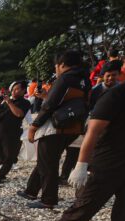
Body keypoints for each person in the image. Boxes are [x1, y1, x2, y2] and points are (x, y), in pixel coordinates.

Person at [44, 81, 125, 221]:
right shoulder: (118, 95)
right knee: (85, 206)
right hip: (108, 160)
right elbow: (93, 130)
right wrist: (81, 165)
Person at [20, 50, 90, 209]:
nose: (56, 69)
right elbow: (66, 101)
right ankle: (31, 190)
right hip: (73, 126)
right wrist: (45, 95)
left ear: (62, 64)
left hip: (56, 127)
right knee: (47, 159)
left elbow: (49, 106)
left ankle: (48, 199)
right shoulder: (84, 79)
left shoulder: (65, 78)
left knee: (47, 163)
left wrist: (34, 126)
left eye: (56, 66)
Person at [0, 81, 31, 183]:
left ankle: (1, 176)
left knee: (9, 157)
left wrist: (9, 102)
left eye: (17, 89)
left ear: (23, 90)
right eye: (13, 89)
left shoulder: (25, 102)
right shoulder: (5, 101)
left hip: (12, 134)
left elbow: (19, 114)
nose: (14, 91)